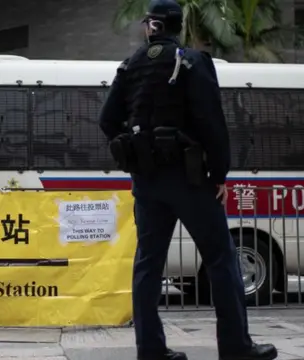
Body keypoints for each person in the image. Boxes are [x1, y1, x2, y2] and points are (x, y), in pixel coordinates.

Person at [98, 1, 279, 360]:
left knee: (148, 265)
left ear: (151, 26)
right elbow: (213, 122)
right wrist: (219, 174)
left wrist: (138, 145)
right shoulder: (193, 62)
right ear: (177, 26)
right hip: (192, 180)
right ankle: (236, 348)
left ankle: (150, 350)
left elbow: (107, 120)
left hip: (147, 182)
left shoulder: (129, 66)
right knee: (220, 261)